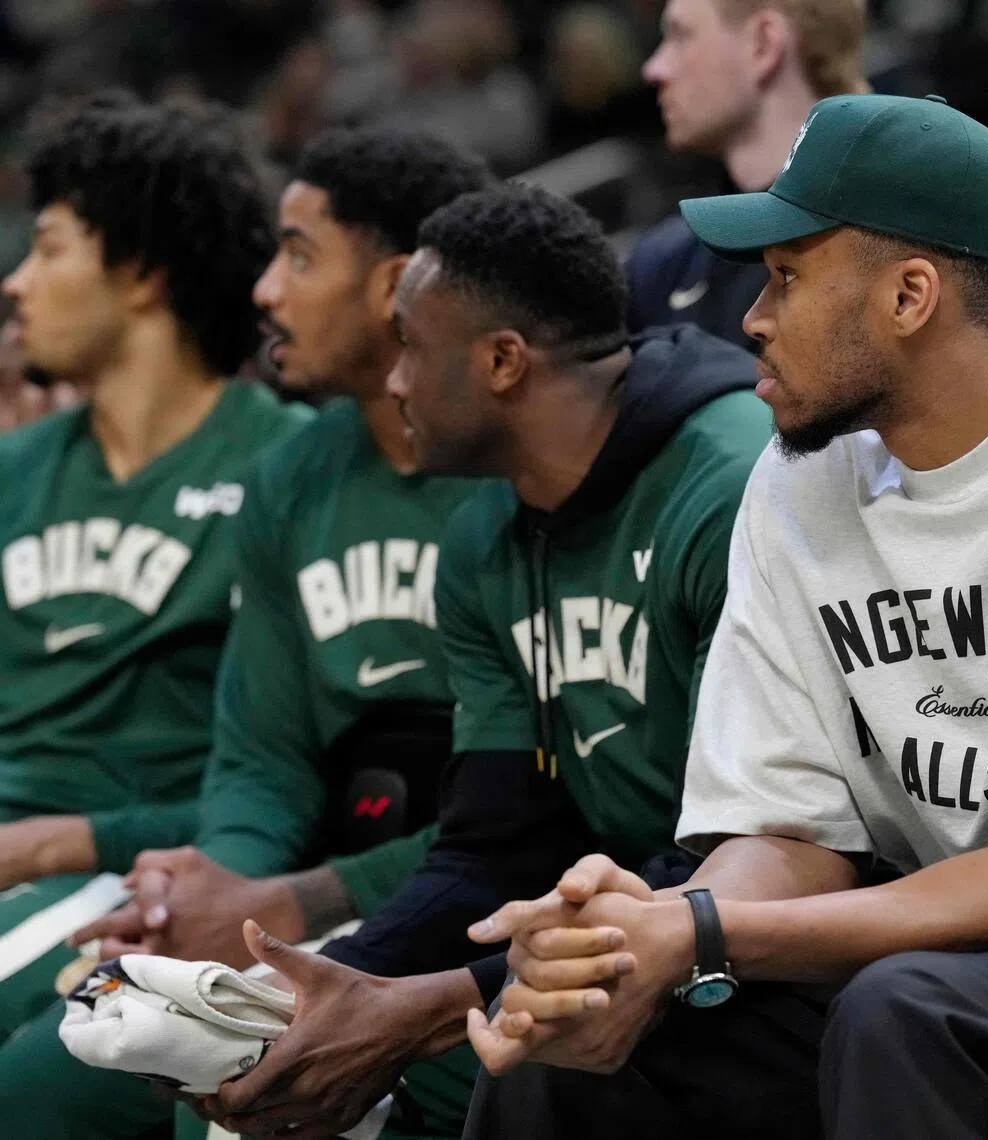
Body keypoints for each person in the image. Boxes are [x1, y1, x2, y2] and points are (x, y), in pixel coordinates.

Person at [463, 94, 988, 1140]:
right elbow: (789, 832)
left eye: (785, 278)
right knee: (581, 1034)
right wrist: (643, 940)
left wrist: (706, 930)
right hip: (940, 959)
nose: (750, 318)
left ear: (910, 295)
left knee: (905, 1011)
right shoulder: (800, 478)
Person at [182, 184, 773, 1140]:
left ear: (502, 362)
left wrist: (413, 1011)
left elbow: (742, 846)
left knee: (498, 1066)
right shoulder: (482, 539)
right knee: (262, 1054)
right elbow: (496, 838)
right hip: (600, 915)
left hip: (747, 926)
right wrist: (348, 979)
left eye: (411, 346)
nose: (397, 381)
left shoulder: (730, 489)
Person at [5, 127, 494, 1140]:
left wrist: (252, 896)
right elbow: (261, 761)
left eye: (300, 256)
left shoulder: (507, 478)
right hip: (285, 875)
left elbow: (526, 812)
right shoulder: (299, 472)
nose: (267, 291)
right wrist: (226, 899)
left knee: (116, 1074)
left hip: (460, 893)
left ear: (395, 284)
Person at [0, 87, 311, 1095]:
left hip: (153, 869)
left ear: (139, 272)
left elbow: (293, 769)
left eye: (49, 248)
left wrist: (62, 838)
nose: (16, 283)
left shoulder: (288, 466)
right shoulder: (17, 469)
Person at [628, 0, 867, 346]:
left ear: (763, 45)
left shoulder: (884, 241)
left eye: (680, 35)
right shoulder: (661, 263)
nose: (654, 69)